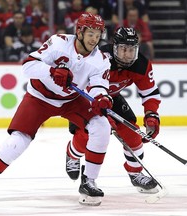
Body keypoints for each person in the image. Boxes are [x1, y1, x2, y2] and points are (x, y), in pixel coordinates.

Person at [0, 12, 113, 206]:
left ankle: (89, 181)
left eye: (98, 34)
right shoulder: (58, 42)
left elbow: (99, 85)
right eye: (91, 33)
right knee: (16, 142)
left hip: (72, 100)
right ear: (80, 32)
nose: (95, 39)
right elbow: (27, 66)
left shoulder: (101, 59)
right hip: (39, 97)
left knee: (102, 126)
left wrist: (102, 98)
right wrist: (51, 71)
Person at [65, 27, 161, 194]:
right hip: (87, 98)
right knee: (88, 134)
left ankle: (135, 173)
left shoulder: (141, 64)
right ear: (114, 47)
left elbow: (150, 93)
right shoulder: (99, 58)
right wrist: (100, 114)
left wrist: (151, 115)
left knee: (133, 133)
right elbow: (84, 85)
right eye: (123, 49)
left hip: (112, 98)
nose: (127, 54)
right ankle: (73, 154)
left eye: (131, 50)